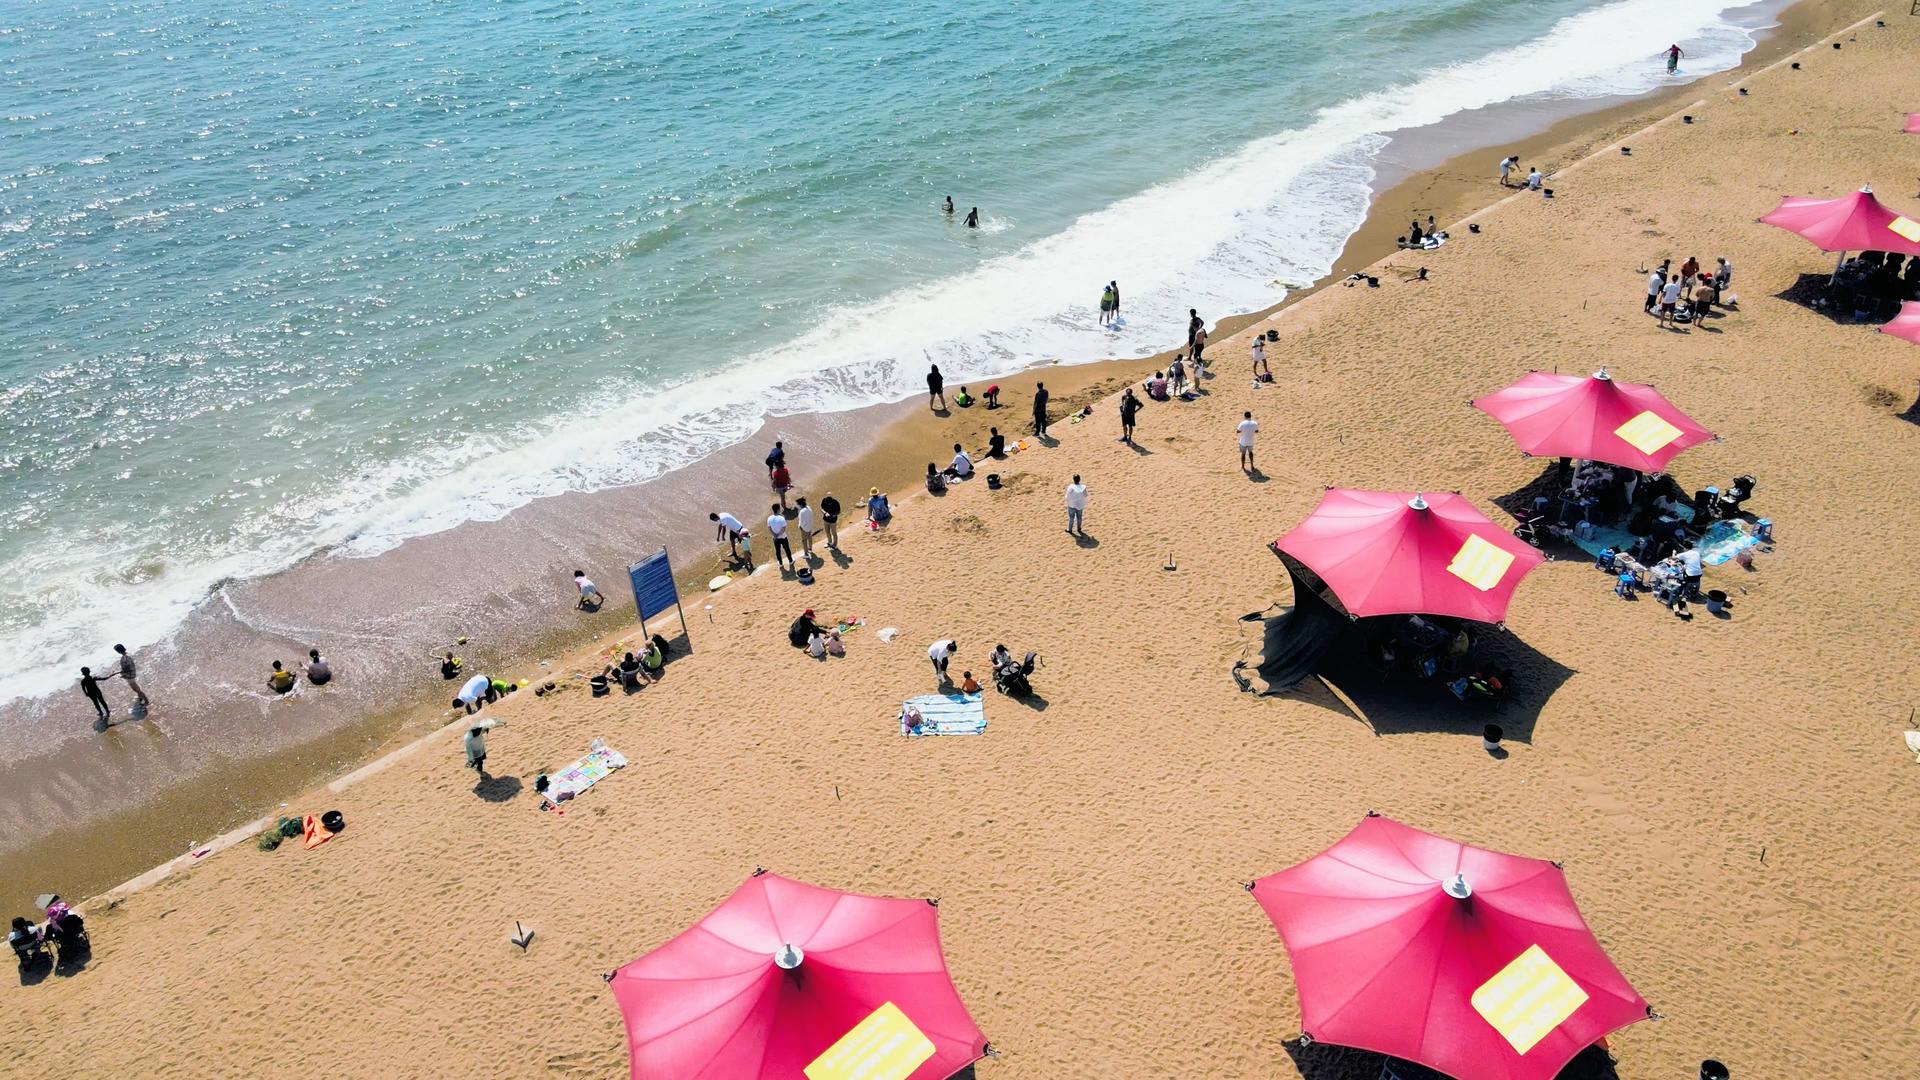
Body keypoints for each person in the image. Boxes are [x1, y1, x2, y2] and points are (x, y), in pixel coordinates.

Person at [110, 643, 148, 708]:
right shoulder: (128, 655)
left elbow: (125, 669)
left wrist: (116, 673)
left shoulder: (124, 658)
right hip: (133, 673)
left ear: (118, 651)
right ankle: (140, 698)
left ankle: (146, 701)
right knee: (136, 688)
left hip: (129, 676)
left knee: (136, 689)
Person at [767, 504, 794, 571]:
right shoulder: (782, 518)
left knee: (778, 551)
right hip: (783, 537)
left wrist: (775, 535)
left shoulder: (769, 518)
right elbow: (783, 529)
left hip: (775, 538)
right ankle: (790, 561)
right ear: (778, 509)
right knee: (787, 549)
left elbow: (769, 528)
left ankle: (781, 563)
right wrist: (778, 535)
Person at [794, 496, 816, 561]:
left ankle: (806, 554)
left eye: (797, 504)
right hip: (810, 526)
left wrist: (800, 527)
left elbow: (801, 522)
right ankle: (810, 549)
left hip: (804, 528)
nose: (797, 505)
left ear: (800, 504)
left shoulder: (802, 512)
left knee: (804, 541)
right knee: (809, 537)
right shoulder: (809, 508)